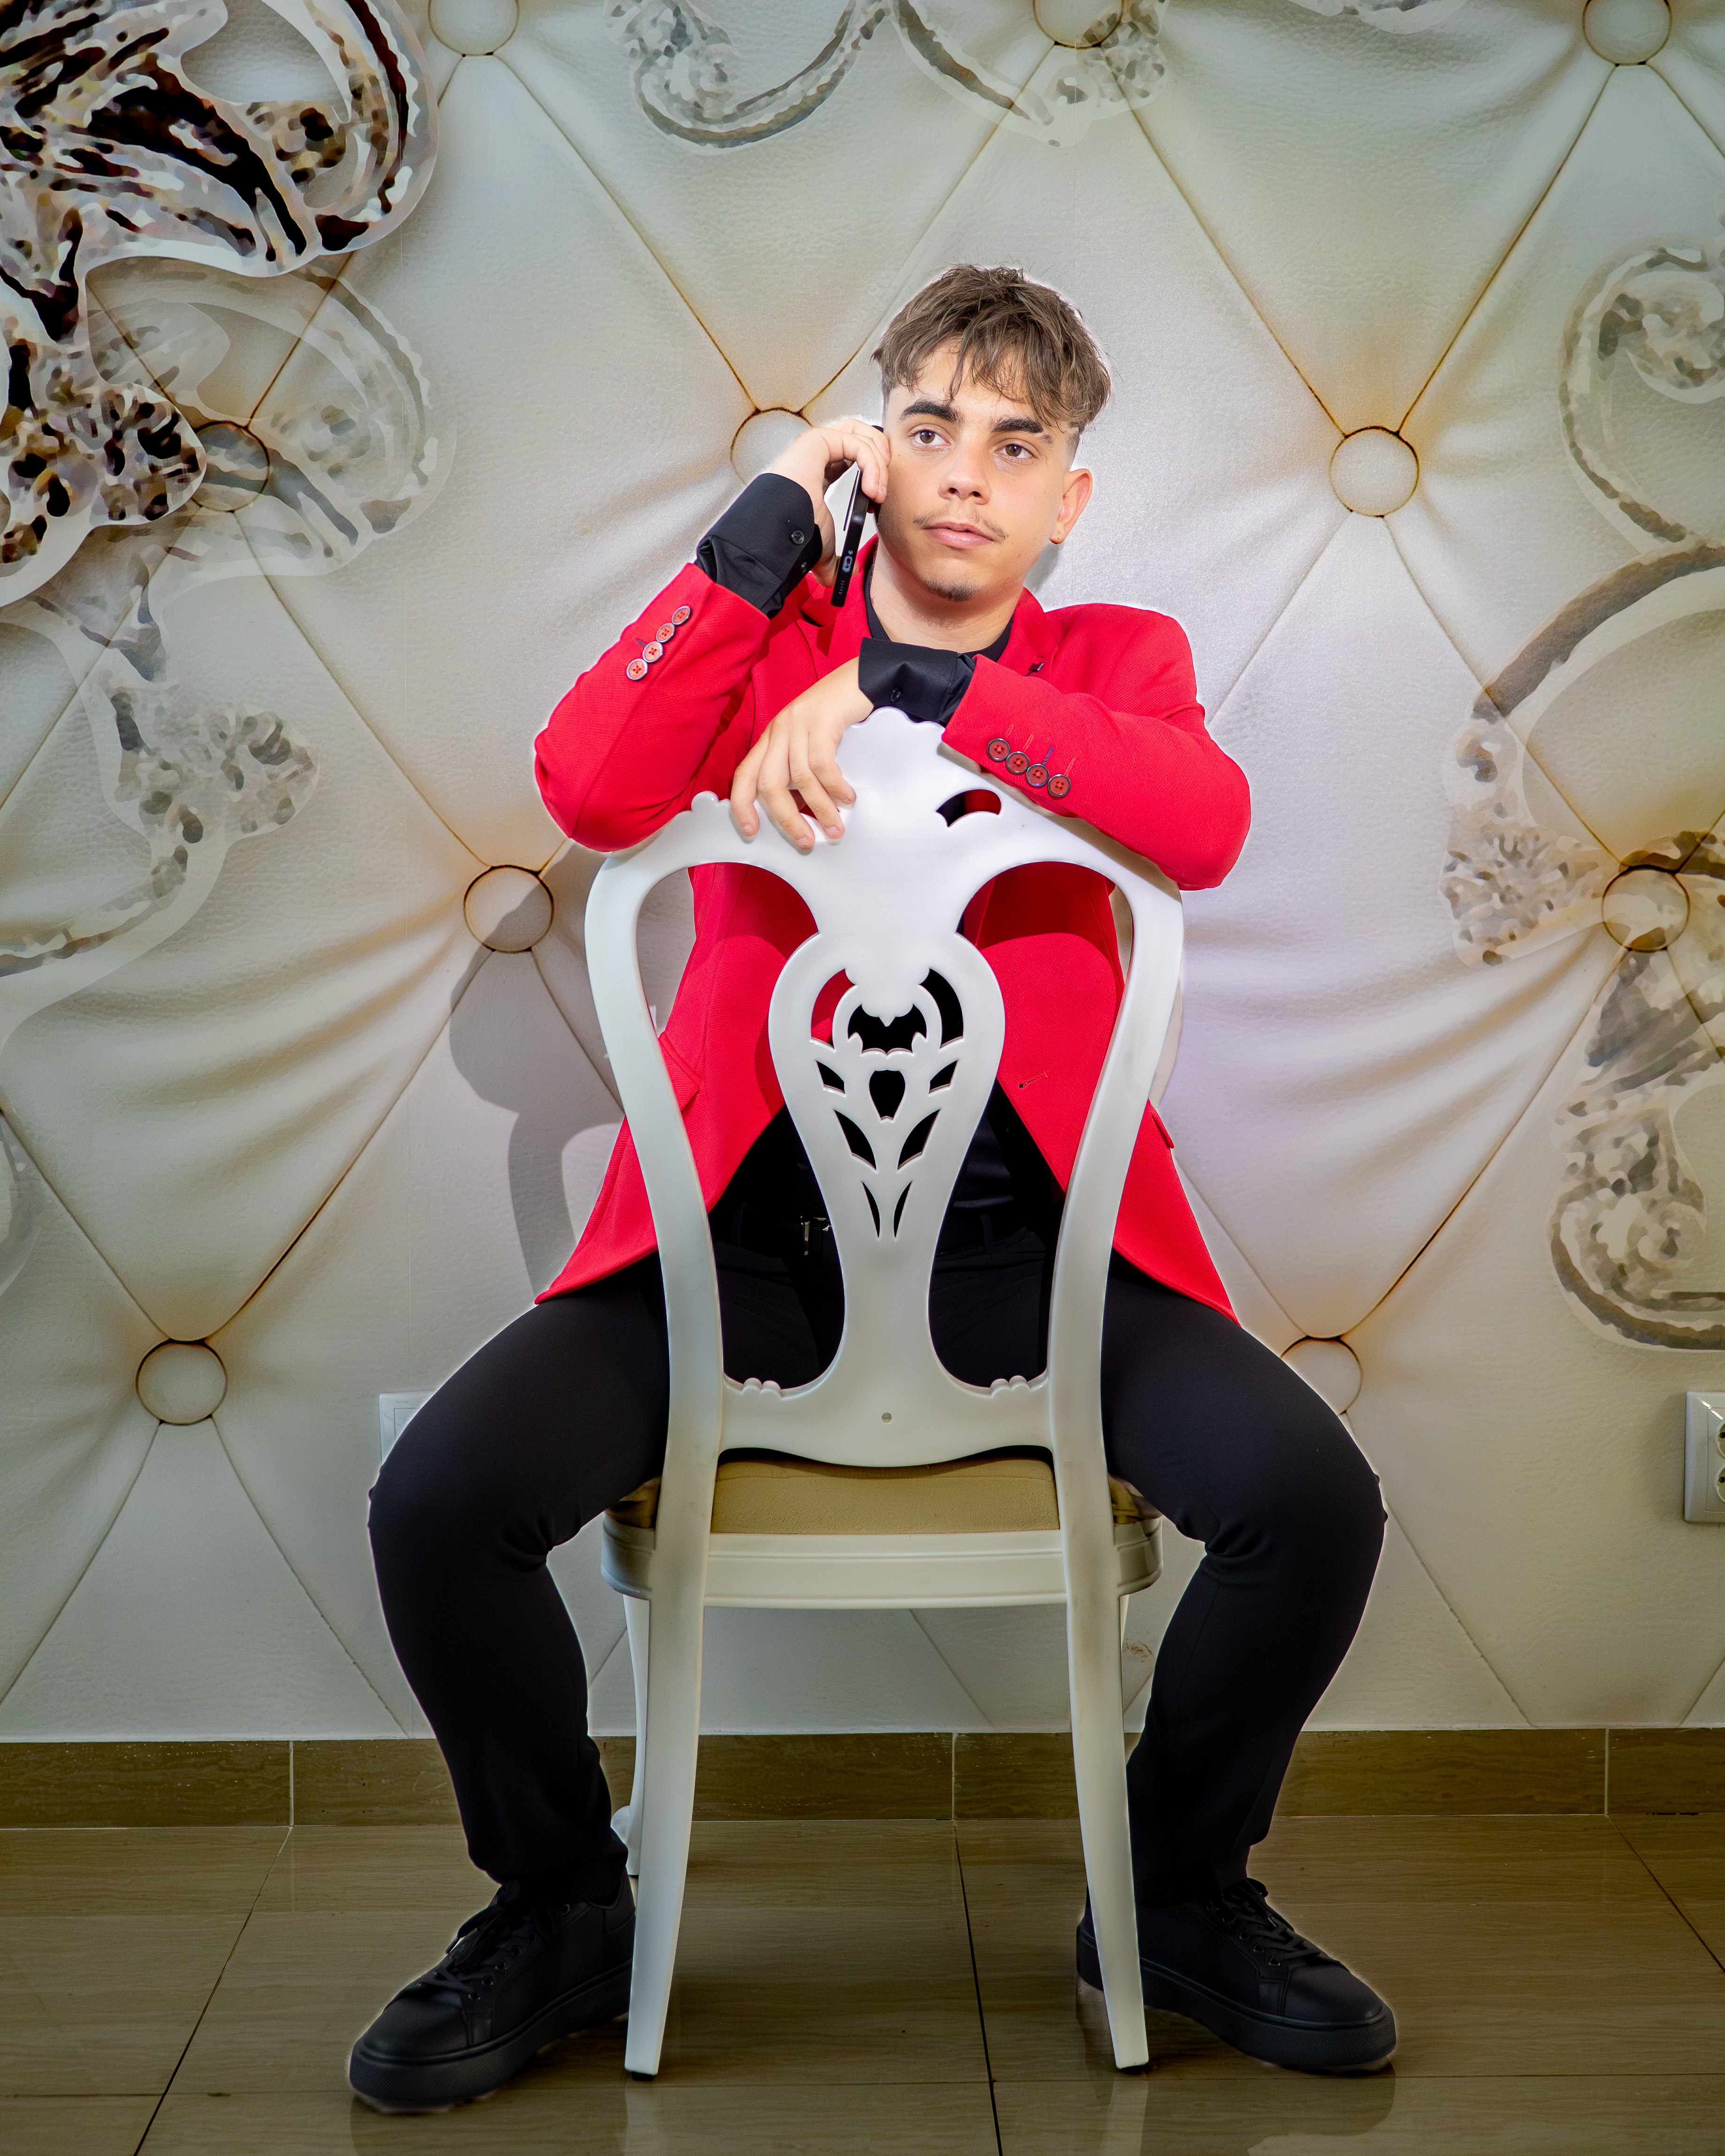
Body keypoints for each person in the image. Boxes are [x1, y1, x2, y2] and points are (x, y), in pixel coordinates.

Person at [350, 265, 1393, 2114]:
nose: (966, 471)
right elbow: (590, 787)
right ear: (874, 456)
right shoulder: (752, 644)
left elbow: (1203, 822)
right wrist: (763, 530)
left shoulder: (1114, 662)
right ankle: (559, 1907)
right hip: (734, 1252)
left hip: (1037, 1259)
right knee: (439, 1502)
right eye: (926, 428)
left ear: (1068, 496)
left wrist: (924, 685)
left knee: (1310, 1502)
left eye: (1016, 444)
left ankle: (1172, 1898)